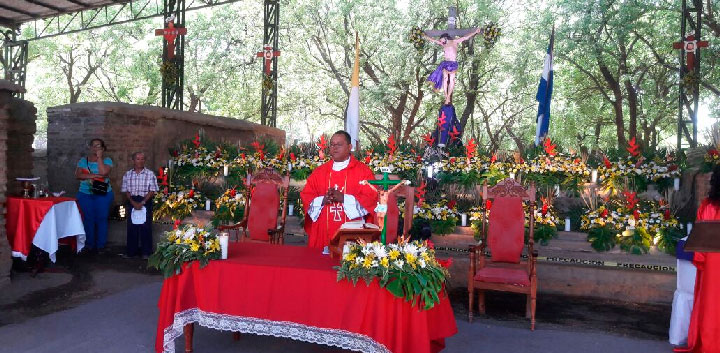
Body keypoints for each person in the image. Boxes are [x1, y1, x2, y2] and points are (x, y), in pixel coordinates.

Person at [300, 131, 378, 252]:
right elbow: (306, 196)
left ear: (349, 147)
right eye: (332, 144)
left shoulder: (363, 172)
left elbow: (371, 199)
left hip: (353, 232)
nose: (334, 148)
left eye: (339, 144)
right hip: (323, 232)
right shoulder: (319, 172)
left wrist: (343, 198)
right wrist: (323, 200)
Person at [676, 165, 720, 353]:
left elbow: (700, 239)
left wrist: (701, 259)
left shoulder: (707, 206)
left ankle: (710, 343)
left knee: (711, 303)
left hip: (712, 262)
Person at [75, 138, 114, 255]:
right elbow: (77, 175)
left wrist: (99, 158)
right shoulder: (83, 161)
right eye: (94, 146)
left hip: (102, 194)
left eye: (99, 146)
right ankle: (89, 244)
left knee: (101, 219)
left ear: (102, 149)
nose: (96, 148)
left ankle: (101, 245)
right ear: (90, 147)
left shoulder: (107, 160)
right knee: (88, 219)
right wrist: (93, 176)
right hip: (85, 194)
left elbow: (103, 173)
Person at [423, 28, 482, 105]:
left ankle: (448, 97)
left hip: (453, 63)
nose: (440, 41)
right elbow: (433, 40)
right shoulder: (443, 44)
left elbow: (465, 37)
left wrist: (475, 32)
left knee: (452, 80)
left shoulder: (454, 41)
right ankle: (446, 96)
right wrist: (424, 36)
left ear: (445, 37)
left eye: (440, 39)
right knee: (445, 78)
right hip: (445, 63)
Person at [121, 152, 158, 259]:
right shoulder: (127, 174)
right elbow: (126, 190)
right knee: (132, 227)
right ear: (133, 160)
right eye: (138, 159)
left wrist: (142, 202)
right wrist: (133, 202)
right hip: (132, 200)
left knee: (145, 227)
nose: (140, 161)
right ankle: (131, 252)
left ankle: (146, 252)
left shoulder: (150, 174)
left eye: (142, 159)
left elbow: (152, 190)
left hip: (146, 200)